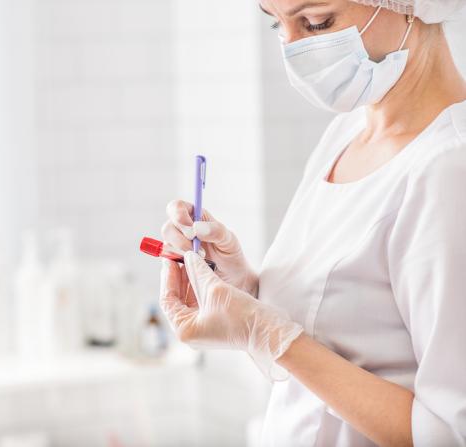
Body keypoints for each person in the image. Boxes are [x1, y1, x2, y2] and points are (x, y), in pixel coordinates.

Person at [158, 1, 466, 445]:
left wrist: (274, 338)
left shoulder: (448, 170)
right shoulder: (344, 136)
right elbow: (339, 331)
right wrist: (241, 290)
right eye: (275, 23)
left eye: (317, 21)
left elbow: (448, 434)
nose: (292, 48)